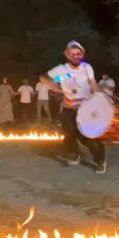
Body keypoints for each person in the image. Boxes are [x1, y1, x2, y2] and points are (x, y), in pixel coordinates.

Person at [40, 40, 107, 173]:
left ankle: (100, 160)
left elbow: (93, 83)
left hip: (85, 108)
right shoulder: (62, 70)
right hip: (68, 107)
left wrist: (102, 96)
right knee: (68, 133)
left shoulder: (87, 67)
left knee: (88, 137)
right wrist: (52, 85)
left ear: (82, 55)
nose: (75, 56)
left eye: (78, 54)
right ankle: (75, 154)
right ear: (68, 55)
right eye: (73, 54)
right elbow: (43, 77)